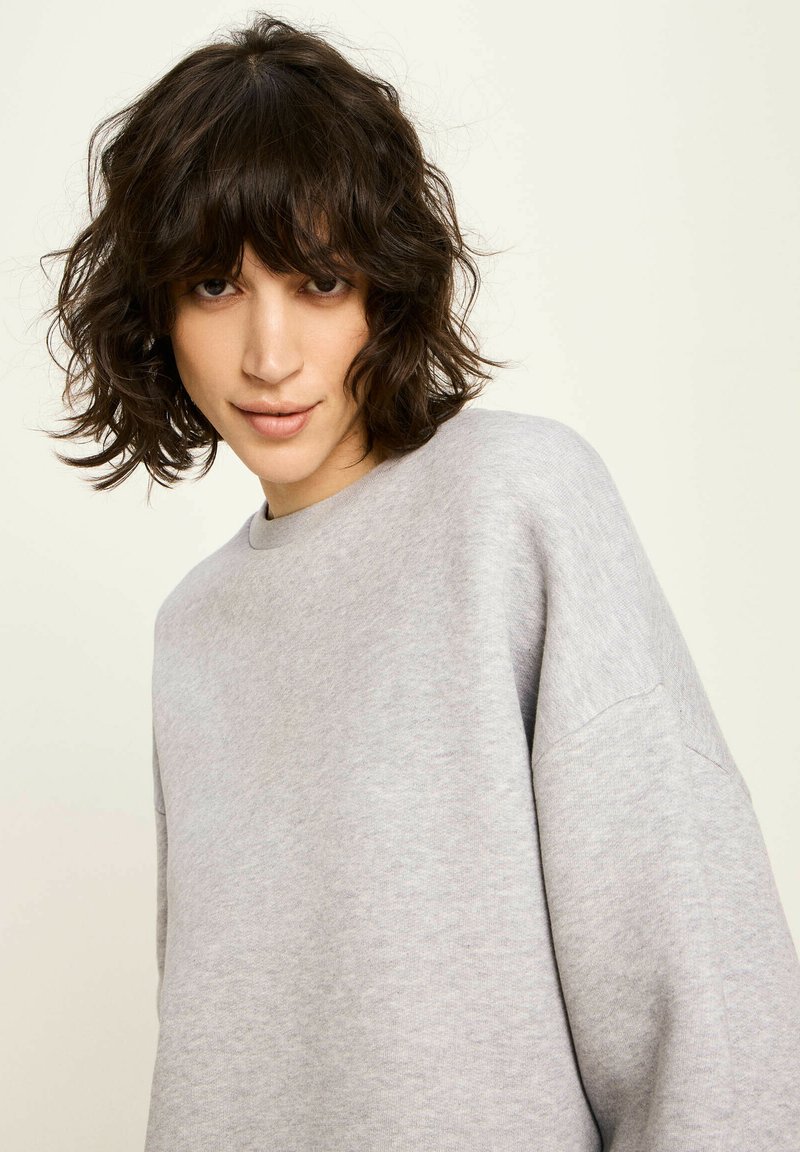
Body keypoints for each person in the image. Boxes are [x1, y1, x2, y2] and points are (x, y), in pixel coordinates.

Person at [41, 13, 800, 1152]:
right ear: (155, 310)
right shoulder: (193, 627)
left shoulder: (512, 505)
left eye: (319, 281)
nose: (270, 355)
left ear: (385, 290)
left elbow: (703, 1000)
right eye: (213, 284)